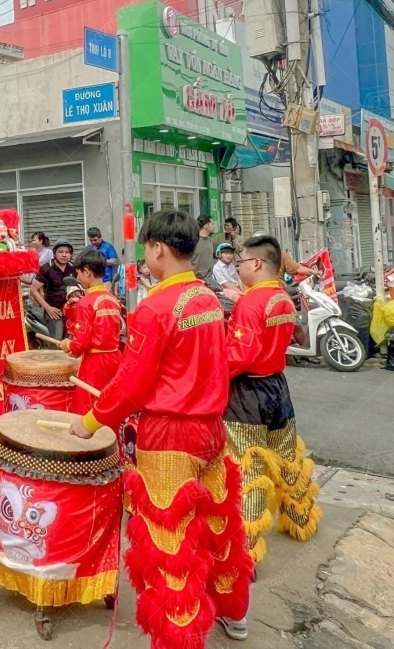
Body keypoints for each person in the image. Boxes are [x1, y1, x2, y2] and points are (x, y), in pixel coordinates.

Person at [70, 210, 252, 647]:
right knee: (218, 527)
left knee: (170, 545)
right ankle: (234, 614)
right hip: (211, 429)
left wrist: (92, 420)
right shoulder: (208, 299)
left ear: (158, 249)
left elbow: (132, 386)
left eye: (145, 249)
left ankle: (180, 638)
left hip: (170, 437)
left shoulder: (154, 308)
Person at [224, 234, 321, 567]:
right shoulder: (281, 298)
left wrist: (210, 372)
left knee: (247, 466)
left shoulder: (250, 303)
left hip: (247, 392)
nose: (238, 269)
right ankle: (300, 517)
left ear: (255, 263)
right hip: (278, 387)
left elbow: (241, 356)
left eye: (240, 263)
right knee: (287, 455)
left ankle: (246, 550)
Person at [59, 251, 122, 417]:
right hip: (115, 359)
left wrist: (67, 345)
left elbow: (81, 344)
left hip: (95, 364)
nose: (77, 278)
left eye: (78, 273)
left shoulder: (86, 302)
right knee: (110, 406)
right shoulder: (113, 299)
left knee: (88, 408)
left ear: (87, 272)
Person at [30, 238, 77, 339]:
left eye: (67, 252)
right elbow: (33, 290)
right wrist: (47, 308)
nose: (64, 255)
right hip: (54, 312)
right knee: (57, 341)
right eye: (60, 252)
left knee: (73, 342)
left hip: (71, 311)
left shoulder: (74, 268)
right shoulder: (46, 268)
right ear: (55, 253)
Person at [192, 214, 217, 280]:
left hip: (209, 278)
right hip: (195, 278)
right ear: (206, 226)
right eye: (212, 224)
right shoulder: (193, 240)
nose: (214, 226)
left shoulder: (210, 240)